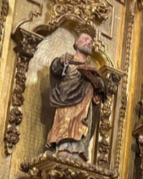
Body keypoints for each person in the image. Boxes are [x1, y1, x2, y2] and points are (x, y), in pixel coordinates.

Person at [46, 33, 107, 161]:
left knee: (81, 128)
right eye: (85, 39)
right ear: (76, 42)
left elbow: (101, 90)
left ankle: (79, 151)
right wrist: (60, 62)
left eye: (91, 41)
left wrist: (95, 81)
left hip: (84, 109)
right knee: (65, 127)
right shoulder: (67, 62)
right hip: (67, 103)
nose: (89, 42)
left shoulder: (93, 70)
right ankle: (63, 148)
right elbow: (55, 69)